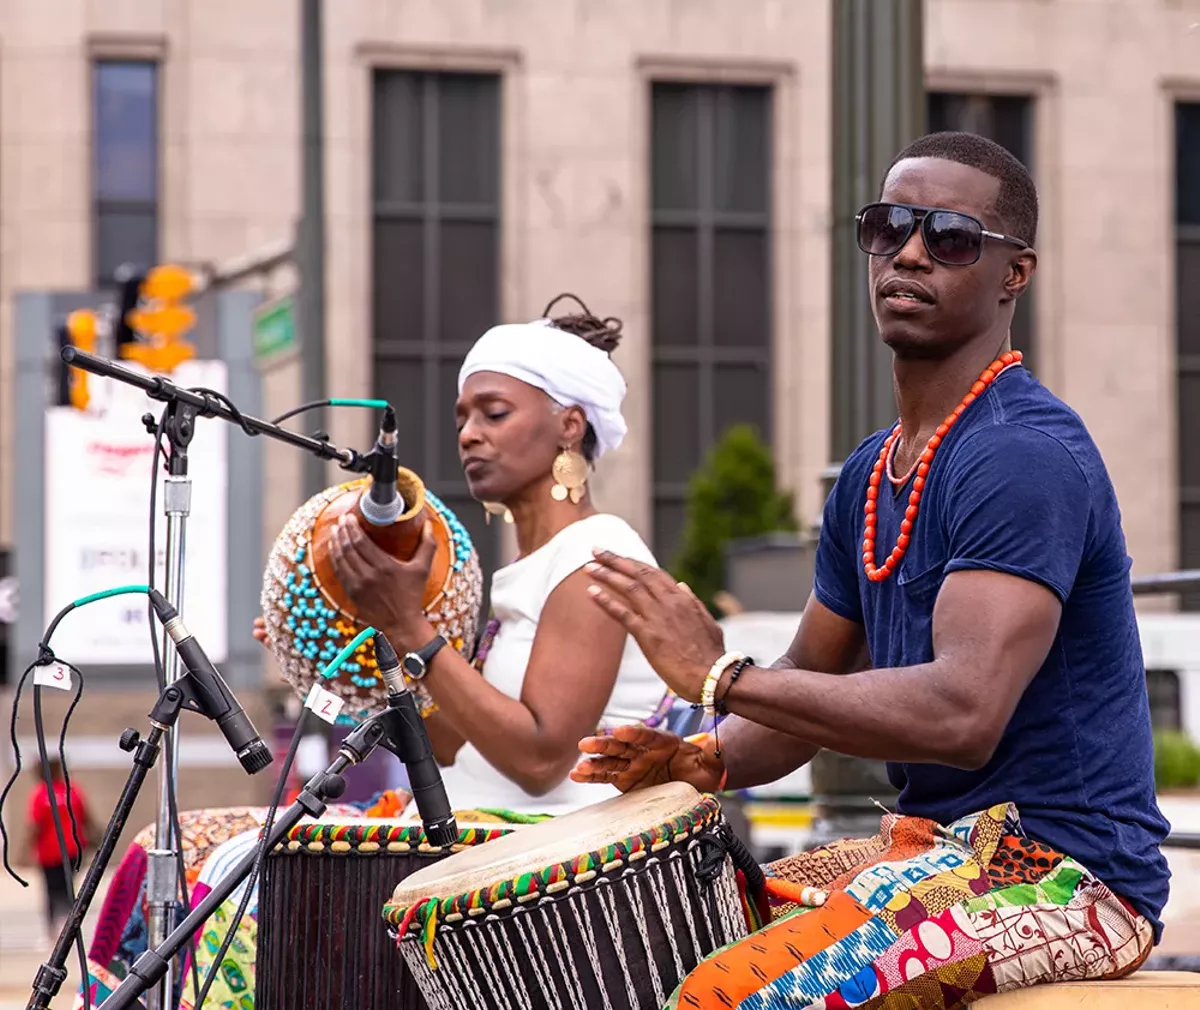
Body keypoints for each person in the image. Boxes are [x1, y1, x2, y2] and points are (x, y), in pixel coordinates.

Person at [572, 132, 1171, 1007]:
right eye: (888, 228)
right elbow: (807, 687)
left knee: (736, 996)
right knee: (679, 927)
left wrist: (719, 675)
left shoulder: (1022, 455)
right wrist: (703, 759)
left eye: (951, 236)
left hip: (1065, 878)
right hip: (933, 849)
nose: (911, 253)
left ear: (1015, 273)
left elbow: (962, 712)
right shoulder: (870, 473)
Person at [257, 295, 669, 816]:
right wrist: (327, 656)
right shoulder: (530, 569)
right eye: (462, 421)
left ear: (570, 425)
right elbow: (448, 745)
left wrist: (409, 625)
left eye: (494, 414)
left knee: (226, 857)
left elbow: (540, 763)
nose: (469, 435)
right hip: (470, 839)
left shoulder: (595, 557)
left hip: (542, 864)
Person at [25, 756, 95, 935]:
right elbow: (86, 817)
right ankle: (69, 925)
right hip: (72, 847)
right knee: (67, 886)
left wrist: (24, 850)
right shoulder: (72, 791)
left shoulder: (40, 794)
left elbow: (35, 826)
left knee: (52, 889)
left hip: (51, 851)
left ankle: (55, 928)